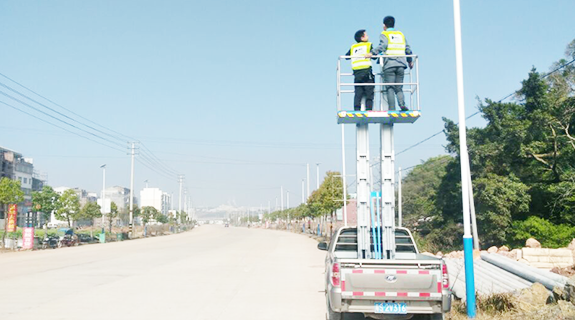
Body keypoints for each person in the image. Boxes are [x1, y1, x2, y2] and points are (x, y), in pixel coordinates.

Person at [368, 16, 413, 111]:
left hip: (389, 64)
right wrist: (410, 61)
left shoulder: (384, 34)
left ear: (384, 25)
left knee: (390, 88)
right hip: (401, 64)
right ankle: (402, 104)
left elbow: (382, 46)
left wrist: (372, 53)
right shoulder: (401, 34)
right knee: (399, 87)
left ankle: (392, 109)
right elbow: (408, 49)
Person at [345, 29, 375, 111]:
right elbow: (374, 55)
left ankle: (356, 110)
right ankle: (369, 109)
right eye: (366, 35)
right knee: (369, 92)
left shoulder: (353, 47)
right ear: (362, 38)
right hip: (366, 72)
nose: (368, 36)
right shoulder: (368, 45)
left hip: (357, 73)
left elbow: (346, 56)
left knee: (358, 93)